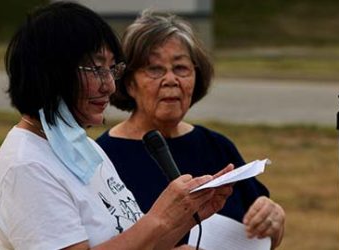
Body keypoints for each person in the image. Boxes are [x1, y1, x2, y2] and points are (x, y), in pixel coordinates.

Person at [0, 2, 234, 249]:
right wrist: (162, 218)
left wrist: (187, 215)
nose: (110, 86)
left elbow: (131, 240)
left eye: (111, 69)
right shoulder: (25, 167)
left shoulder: (85, 148)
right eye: (96, 69)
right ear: (51, 72)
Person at [96, 10, 285, 248]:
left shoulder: (218, 147)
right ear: (129, 82)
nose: (171, 79)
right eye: (155, 69)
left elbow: (262, 234)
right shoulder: (102, 158)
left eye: (181, 68)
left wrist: (275, 221)